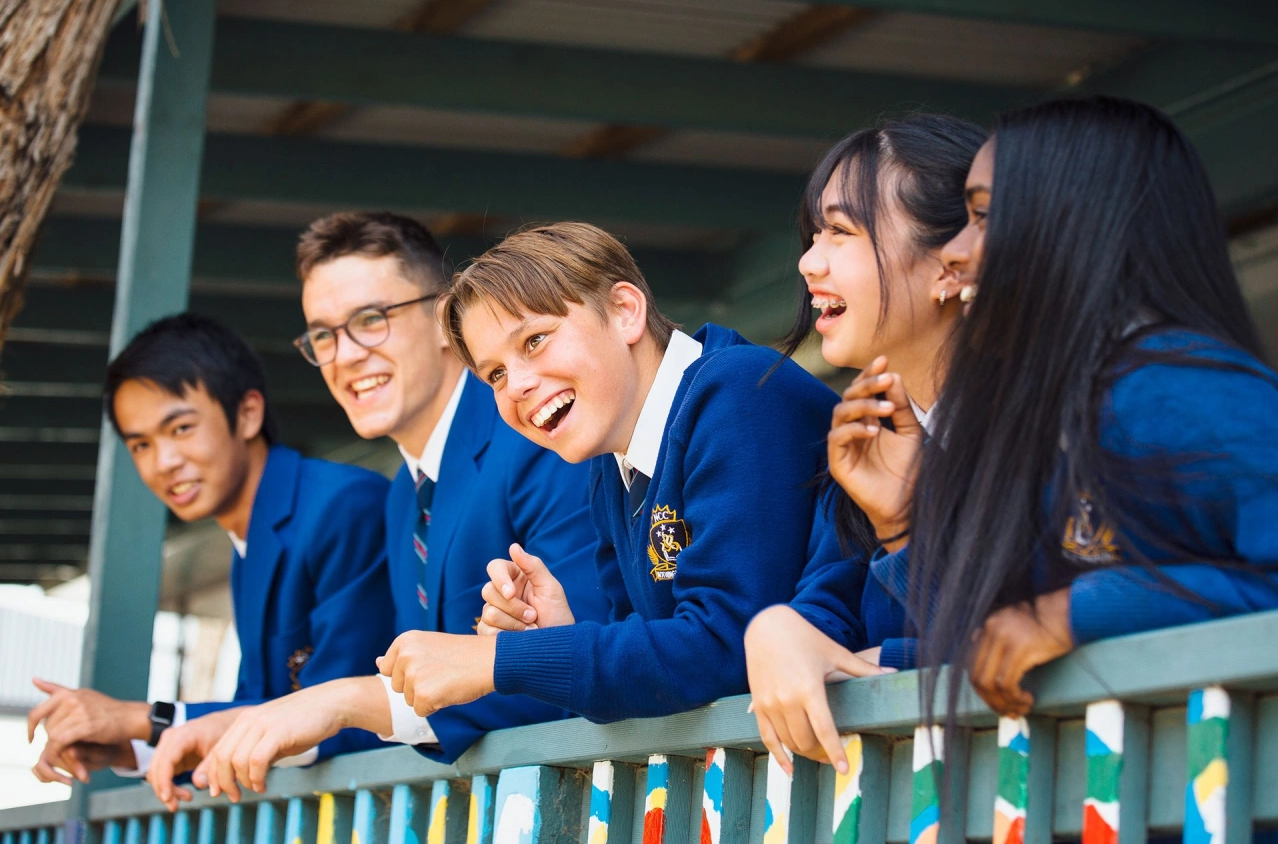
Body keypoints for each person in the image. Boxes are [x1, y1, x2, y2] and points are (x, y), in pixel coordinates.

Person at [843, 96, 1278, 729]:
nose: (956, 251)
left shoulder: (1182, 389)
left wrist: (1076, 612)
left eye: (983, 217)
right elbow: (999, 645)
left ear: (1076, 222)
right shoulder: (1063, 410)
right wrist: (904, 528)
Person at [147, 213, 609, 807]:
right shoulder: (401, 496)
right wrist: (257, 722)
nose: (345, 356)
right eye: (324, 336)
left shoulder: (534, 427)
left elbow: (581, 650)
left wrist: (342, 701)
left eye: (370, 321)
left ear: (447, 320)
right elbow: (409, 690)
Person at [370, 221, 846, 725]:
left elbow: (727, 646)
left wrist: (497, 660)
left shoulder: (738, 392)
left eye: (534, 341)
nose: (516, 387)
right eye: (495, 374)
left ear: (624, 311)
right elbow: (659, 656)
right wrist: (555, 637)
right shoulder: (611, 465)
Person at [28, 313, 393, 785]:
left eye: (180, 429)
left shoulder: (341, 507)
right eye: (140, 445)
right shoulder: (250, 544)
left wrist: (145, 719)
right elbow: (260, 706)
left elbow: (341, 714)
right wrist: (133, 747)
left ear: (247, 413)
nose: (164, 463)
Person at [741, 115, 986, 773]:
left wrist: (888, 662)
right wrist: (777, 630)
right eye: (814, 234)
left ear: (949, 263)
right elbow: (830, 611)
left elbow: (1029, 634)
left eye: (842, 233)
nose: (807, 262)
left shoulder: (1050, 428)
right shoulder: (863, 434)